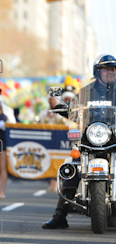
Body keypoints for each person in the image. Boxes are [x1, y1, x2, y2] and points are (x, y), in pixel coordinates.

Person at [42, 54, 116, 229]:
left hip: (113, 136)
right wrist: (64, 108)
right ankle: (59, 215)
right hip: (90, 137)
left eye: (113, 69)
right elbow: (73, 108)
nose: (111, 72)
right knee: (73, 166)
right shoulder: (86, 91)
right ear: (98, 72)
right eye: (107, 69)